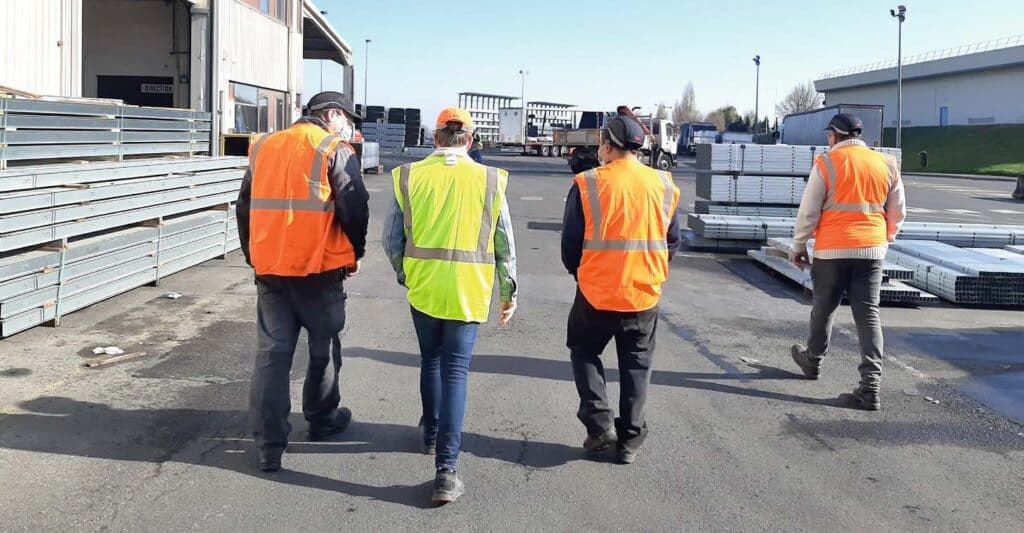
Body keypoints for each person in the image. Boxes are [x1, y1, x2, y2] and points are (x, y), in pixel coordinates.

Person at [382, 107, 518, 503]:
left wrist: (406, 274)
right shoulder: (490, 179)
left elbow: (392, 239)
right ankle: (446, 471)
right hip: (468, 288)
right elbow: (504, 243)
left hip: (424, 288)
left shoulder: (409, 175)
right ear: (470, 140)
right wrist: (509, 292)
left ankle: (429, 435)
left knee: (432, 361)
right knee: (456, 370)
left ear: (435, 138)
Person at [236, 91, 370, 472]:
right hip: (318, 270)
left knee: (272, 356)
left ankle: (268, 445)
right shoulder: (332, 147)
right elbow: (354, 206)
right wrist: (355, 252)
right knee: (323, 346)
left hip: (271, 272)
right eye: (347, 118)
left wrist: (253, 256)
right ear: (331, 115)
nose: (349, 126)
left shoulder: (263, 147)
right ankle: (322, 419)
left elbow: (244, 206)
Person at [561, 116, 681, 465]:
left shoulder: (588, 183)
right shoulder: (664, 185)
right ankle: (629, 439)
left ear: (607, 144)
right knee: (636, 364)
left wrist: (578, 272)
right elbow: (671, 240)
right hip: (643, 292)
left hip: (597, 290)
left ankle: (599, 427)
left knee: (583, 350)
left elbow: (571, 242)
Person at [788, 113, 907, 411]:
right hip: (871, 251)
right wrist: (886, 237)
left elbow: (809, 210)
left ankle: (812, 361)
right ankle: (871, 387)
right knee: (868, 316)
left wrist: (799, 244)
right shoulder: (887, 163)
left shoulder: (826, 163)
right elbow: (898, 211)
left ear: (834, 137)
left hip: (831, 252)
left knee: (824, 309)